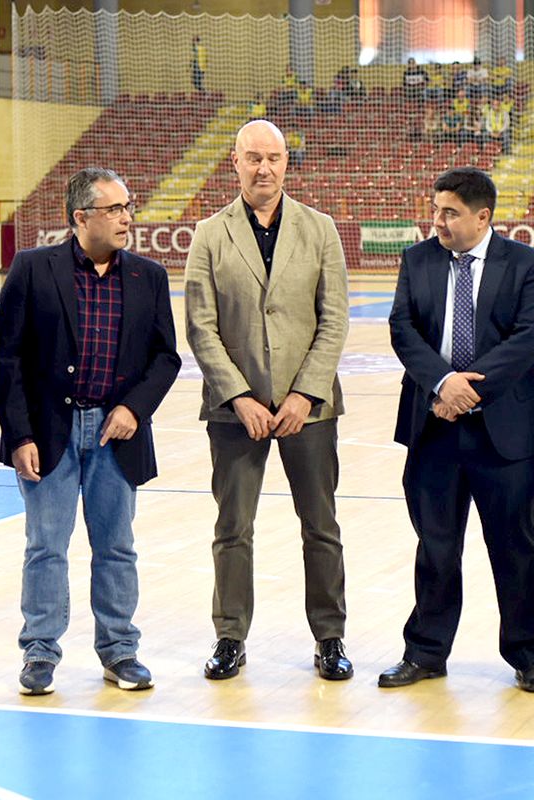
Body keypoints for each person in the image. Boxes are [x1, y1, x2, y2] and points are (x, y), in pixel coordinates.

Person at [0, 167, 180, 695]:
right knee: (45, 547)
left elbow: (166, 358)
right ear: (80, 218)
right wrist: (20, 434)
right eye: (115, 209)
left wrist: (134, 410)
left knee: (116, 546)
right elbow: (6, 359)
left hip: (115, 433)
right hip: (48, 433)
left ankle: (120, 651)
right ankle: (39, 653)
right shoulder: (32, 269)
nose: (126, 218)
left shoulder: (149, 276)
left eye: (128, 207)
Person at [381, 167, 534, 691]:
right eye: (436, 209)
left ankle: (528, 656)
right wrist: (442, 384)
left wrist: (468, 392)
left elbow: (526, 338)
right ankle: (425, 652)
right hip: (433, 427)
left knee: (514, 546)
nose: (437, 220)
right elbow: (402, 328)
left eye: (450, 213)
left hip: (506, 429)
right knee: (435, 546)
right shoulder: (417, 259)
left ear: (483, 217)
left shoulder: (525, 264)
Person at [184, 119, 352, 682]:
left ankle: (330, 638)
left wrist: (306, 392)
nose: (264, 168)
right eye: (253, 157)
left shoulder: (320, 228)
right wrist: (240, 398)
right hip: (236, 413)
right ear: (234, 162)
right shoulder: (209, 233)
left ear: (286, 162)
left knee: (321, 527)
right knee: (233, 528)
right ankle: (229, 636)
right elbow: (201, 329)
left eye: (274, 158)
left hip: (311, 410)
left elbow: (334, 320)